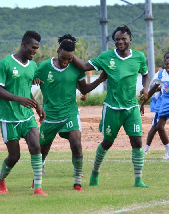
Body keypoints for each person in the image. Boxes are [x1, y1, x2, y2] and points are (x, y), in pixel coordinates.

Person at [73, 25, 150, 188]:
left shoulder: (139, 57)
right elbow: (85, 67)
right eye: (117, 39)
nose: (120, 41)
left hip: (131, 108)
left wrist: (145, 87)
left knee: (137, 141)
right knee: (107, 142)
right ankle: (95, 173)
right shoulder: (106, 57)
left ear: (130, 39)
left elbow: (145, 73)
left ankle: (138, 180)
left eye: (123, 39)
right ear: (113, 41)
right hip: (112, 108)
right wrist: (70, 55)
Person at [34, 40, 107, 191]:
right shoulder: (43, 67)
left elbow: (84, 89)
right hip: (50, 115)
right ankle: (36, 178)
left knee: (76, 142)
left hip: (70, 113)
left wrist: (99, 79)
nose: (66, 62)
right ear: (57, 52)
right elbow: (26, 82)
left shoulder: (76, 68)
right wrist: (35, 99)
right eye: (63, 58)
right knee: (43, 149)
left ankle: (77, 181)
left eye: (70, 59)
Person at [0, 30, 47, 196]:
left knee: (36, 146)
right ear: (23, 45)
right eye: (32, 47)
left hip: (27, 116)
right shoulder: (6, 63)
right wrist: (18, 99)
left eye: (37, 48)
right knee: (14, 156)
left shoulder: (33, 66)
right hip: (8, 118)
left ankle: (38, 187)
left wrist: (36, 105)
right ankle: (1, 179)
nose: (35, 51)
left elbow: (26, 89)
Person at [140, 52, 169, 157]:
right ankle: (147, 149)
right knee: (156, 126)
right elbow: (154, 88)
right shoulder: (161, 74)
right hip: (162, 104)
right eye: (167, 62)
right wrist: (143, 103)